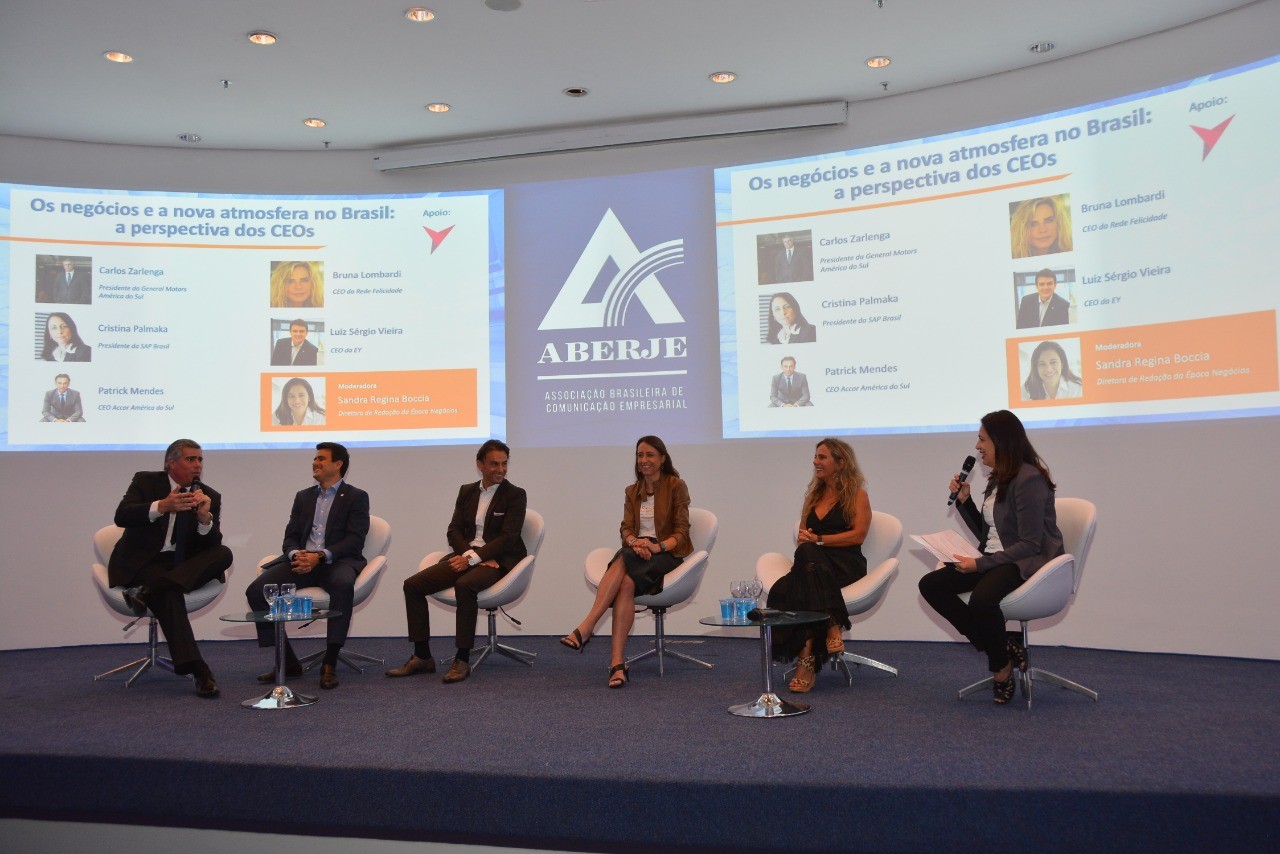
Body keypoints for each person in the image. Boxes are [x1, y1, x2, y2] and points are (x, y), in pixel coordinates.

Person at [918, 410, 1064, 705]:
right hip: (995, 557)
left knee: (982, 599)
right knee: (931, 585)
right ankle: (1002, 645)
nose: (977, 446)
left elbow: (1029, 543)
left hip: (1023, 561)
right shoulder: (1000, 478)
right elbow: (988, 535)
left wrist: (979, 564)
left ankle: (1000, 669)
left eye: (982, 439)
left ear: (1001, 441)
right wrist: (964, 502)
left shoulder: (1029, 479)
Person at [386, 440, 528, 684]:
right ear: (480, 465)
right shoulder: (467, 491)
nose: (501, 469)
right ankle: (422, 656)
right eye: (495, 464)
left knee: (465, 586)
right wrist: (467, 556)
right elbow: (453, 531)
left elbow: (508, 538)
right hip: (467, 556)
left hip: (498, 561)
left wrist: (475, 558)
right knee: (412, 585)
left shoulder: (515, 494)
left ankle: (462, 659)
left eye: (504, 464)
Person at [560, 436, 692, 688]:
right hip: (637, 553)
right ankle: (617, 665)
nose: (644, 460)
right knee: (625, 584)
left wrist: (656, 546)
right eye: (640, 455)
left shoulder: (676, 485)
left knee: (623, 557)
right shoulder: (632, 491)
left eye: (650, 455)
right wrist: (635, 543)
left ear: (663, 459)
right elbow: (626, 529)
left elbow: (682, 532)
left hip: (667, 555)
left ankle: (587, 626)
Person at [107, 439, 233, 698]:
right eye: (190, 459)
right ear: (171, 463)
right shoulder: (146, 481)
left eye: (200, 460)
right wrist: (161, 506)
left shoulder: (209, 495)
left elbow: (209, 545)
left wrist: (204, 518)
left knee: (224, 553)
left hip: (181, 565)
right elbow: (122, 515)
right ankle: (200, 672)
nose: (197, 465)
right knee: (169, 594)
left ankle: (146, 591)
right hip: (145, 562)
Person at [246, 442, 370, 690]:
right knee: (256, 591)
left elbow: (355, 540)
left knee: (343, 585)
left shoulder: (356, 496)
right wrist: (296, 555)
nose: (315, 463)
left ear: (338, 464)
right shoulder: (303, 497)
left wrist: (321, 556)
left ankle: (330, 662)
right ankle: (288, 662)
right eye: (314, 458)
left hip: (336, 562)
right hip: (302, 562)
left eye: (321, 459)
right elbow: (290, 537)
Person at [765, 438, 871, 693]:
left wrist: (820, 540)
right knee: (800, 566)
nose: (815, 461)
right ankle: (830, 625)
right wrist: (809, 540)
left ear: (841, 462)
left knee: (805, 566)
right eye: (816, 456)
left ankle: (807, 662)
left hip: (846, 564)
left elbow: (858, 536)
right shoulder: (813, 496)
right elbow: (803, 534)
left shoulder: (858, 494)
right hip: (815, 566)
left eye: (822, 457)